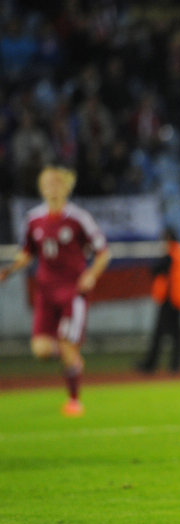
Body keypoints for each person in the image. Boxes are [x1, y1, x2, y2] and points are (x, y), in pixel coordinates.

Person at [0, 165, 111, 416]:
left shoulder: (78, 218)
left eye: (58, 182)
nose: (53, 186)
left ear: (66, 186)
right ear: (41, 186)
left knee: (66, 343)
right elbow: (27, 252)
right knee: (40, 349)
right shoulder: (33, 219)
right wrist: (9, 269)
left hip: (73, 291)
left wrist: (91, 274)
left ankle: (74, 400)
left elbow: (103, 252)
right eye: (48, 182)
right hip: (45, 291)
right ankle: (73, 361)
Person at [136, 227, 180, 374]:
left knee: (160, 333)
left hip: (170, 299)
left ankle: (151, 364)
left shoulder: (172, 254)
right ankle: (175, 364)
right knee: (177, 334)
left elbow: (156, 270)